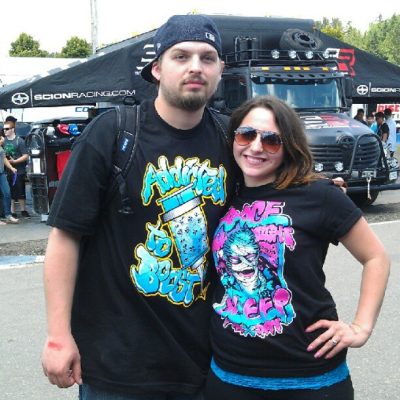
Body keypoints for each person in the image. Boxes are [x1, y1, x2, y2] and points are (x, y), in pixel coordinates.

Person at [41, 14, 236, 399]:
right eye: (181, 56)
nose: (195, 66)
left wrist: (320, 190)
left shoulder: (232, 138)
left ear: (220, 70)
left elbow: (276, 200)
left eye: (207, 58)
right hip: (119, 369)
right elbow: (65, 237)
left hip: (206, 365)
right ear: (157, 70)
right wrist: (58, 337)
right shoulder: (113, 133)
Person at [205, 96, 390, 400]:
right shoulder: (223, 193)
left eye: (271, 140)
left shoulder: (319, 195)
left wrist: (361, 327)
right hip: (229, 374)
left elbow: (376, 257)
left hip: (310, 377)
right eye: (246, 135)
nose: (256, 147)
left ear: (288, 145)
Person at [2, 118, 30, 218]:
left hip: (19, 169)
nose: (5, 131)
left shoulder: (19, 141)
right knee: (9, 191)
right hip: (6, 170)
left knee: (20, 189)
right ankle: (12, 211)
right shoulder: (3, 141)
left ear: (12, 129)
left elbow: (26, 155)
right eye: (4, 129)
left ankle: (23, 210)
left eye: (7, 129)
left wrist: (15, 161)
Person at [0, 132, 19, 224]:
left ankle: (8, 215)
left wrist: (11, 168)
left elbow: (3, 158)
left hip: (1, 173)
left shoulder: (1, 142)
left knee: (7, 193)